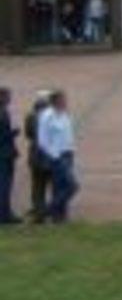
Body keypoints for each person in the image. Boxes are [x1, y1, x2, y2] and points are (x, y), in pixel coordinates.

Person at [37, 90, 79, 223]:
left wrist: (71, 149)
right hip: (57, 156)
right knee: (72, 186)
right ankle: (46, 211)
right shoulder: (47, 116)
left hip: (68, 153)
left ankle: (60, 216)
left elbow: (67, 134)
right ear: (55, 101)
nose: (66, 102)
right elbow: (42, 140)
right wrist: (54, 155)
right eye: (63, 99)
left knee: (60, 186)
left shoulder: (64, 114)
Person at [24, 94, 50, 223]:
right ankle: (51, 211)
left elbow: (28, 134)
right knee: (50, 184)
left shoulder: (30, 117)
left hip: (35, 155)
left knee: (37, 185)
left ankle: (39, 211)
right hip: (50, 155)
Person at [0, 88, 20, 225]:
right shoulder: (1, 113)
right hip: (3, 154)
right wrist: (13, 133)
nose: (10, 99)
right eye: (7, 96)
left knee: (7, 185)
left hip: (8, 154)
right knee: (4, 185)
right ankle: (4, 215)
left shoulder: (5, 112)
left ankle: (7, 213)